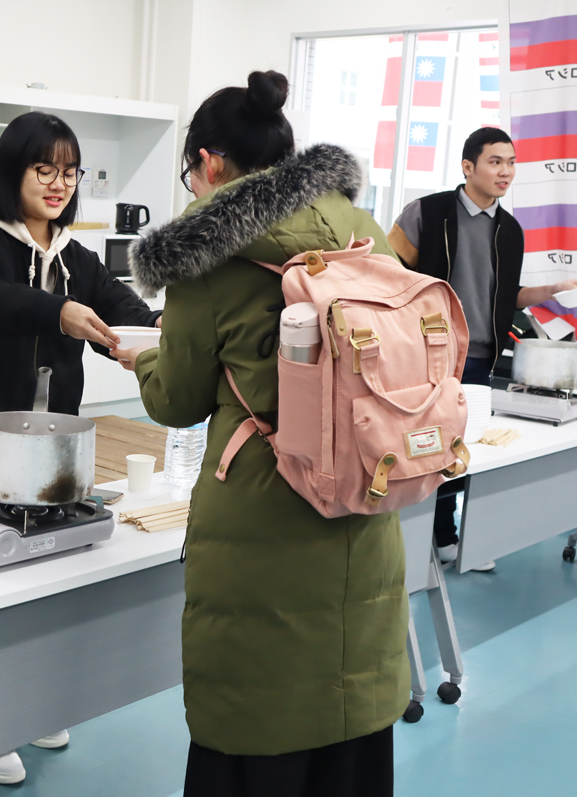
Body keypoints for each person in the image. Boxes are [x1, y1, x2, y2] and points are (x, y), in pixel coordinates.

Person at [112, 71, 408, 797]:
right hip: (365, 501)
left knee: (258, 725)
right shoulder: (361, 229)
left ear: (210, 164)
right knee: (350, 712)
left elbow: (178, 399)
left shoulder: (207, 256)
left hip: (263, 520)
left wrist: (141, 353)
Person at [0, 111, 160, 785]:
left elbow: (119, 305)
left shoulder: (74, 255)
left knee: (40, 583)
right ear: (12, 171)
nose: (59, 184)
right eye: (44, 169)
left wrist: (155, 331)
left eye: (69, 171)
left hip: (51, 452)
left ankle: (23, 707)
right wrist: (53, 310)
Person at [387, 128, 577, 570]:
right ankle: (410, 540)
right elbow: (387, 274)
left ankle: (449, 538)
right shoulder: (427, 211)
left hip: (480, 359)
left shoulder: (510, 230)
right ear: (468, 166)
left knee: (463, 449)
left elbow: (505, 296)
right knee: (420, 448)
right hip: (428, 355)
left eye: (512, 162)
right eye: (496, 161)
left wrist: (552, 289)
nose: (506, 171)